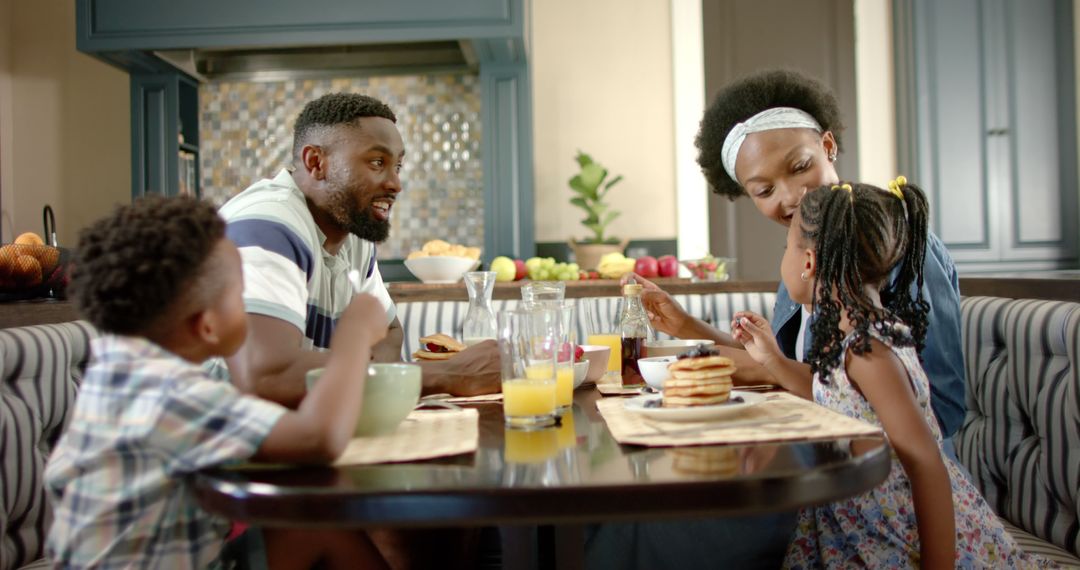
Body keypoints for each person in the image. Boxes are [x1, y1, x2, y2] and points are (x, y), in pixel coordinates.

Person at [45, 196, 389, 569]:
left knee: (308, 528)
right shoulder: (171, 393)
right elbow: (318, 438)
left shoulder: (119, 369)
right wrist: (353, 334)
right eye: (240, 295)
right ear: (207, 325)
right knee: (322, 526)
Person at [625, 69, 965, 440]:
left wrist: (767, 370)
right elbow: (787, 364)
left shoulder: (902, 244)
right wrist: (684, 326)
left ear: (829, 146)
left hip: (887, 478)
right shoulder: (803, 252)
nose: (790, 196)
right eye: (764, 190)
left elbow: (942, 407)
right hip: (818, 452)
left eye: (800, 166)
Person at [731, 179, 1053, 568]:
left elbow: (925, 460)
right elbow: (833, 395)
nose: (785, 257)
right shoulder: (856, 335)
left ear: (808, 263)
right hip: (858, 518)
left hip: (897, 529)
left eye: (787, 248)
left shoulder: (870, 353)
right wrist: (774, 361)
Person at [216, 92, 499, 409]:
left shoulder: (354, 233)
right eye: (378, 162)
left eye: (398, 166)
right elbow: (266, 375)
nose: (395, 183)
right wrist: (444, 373)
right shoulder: (267, 225)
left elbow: (389, 332)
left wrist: (360, 379)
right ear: (316, 163)